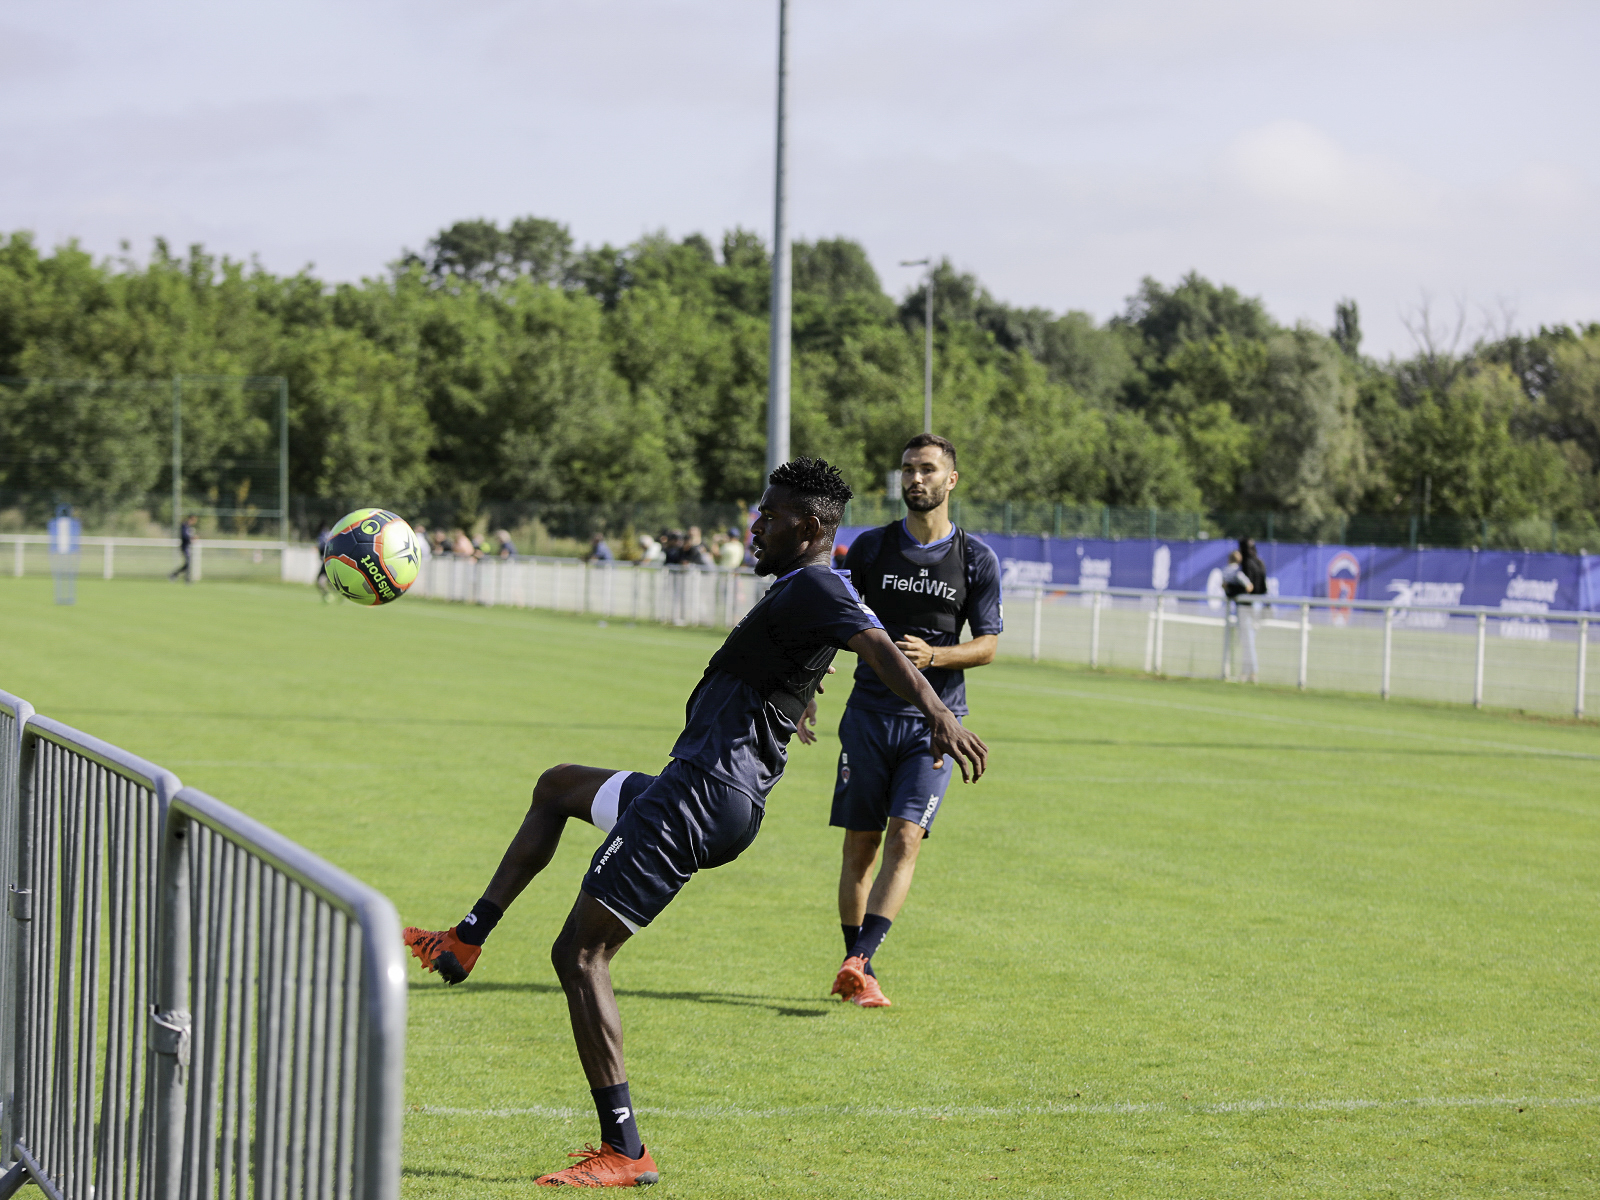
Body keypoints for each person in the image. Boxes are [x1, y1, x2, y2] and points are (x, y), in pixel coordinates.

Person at [401, 458, 988, 1187]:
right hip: (701, 789)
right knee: (557, 788)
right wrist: (795, 697)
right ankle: (465, 939)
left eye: (768, 517)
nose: (755, 526)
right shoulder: (800, 591)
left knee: (579, 957)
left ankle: (624, 1150)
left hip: (703, 795)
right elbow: (799, 656)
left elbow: (870, 642)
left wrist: (938, 717)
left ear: (807, 527)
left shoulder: (816, 582)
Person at [801, 433, 1001, 1008]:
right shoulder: (869, 550)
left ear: (951, 480)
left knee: (906, 837)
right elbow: (831, 620)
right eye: (908, 469)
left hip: (936, 725)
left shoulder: (976, 559)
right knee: (860, 846)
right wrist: (810, 685)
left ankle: (859, 963)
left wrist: (936, 657)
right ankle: (856, 963)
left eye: (928, 470)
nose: (916, 479)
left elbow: (987, 644)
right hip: (867, 716)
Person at [1237, 538, 1268, 683]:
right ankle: (1246, 672)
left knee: (1248, 641)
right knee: (1249, 641)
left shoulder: (1246, 564)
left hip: (1247, 606)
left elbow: (1246, 587)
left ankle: (1253, 672)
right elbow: (1264, 588)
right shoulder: (1260, 563)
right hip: (1258, 605)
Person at [169, 515, 199, 583]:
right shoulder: (184, 525)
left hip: (187, 547)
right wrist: (191, 538)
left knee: (187, 564)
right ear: (192, 518)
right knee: (188, 563)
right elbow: (184, 536)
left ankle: (175, 574)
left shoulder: (188, 527)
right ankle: (186, 579)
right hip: (184, 547)